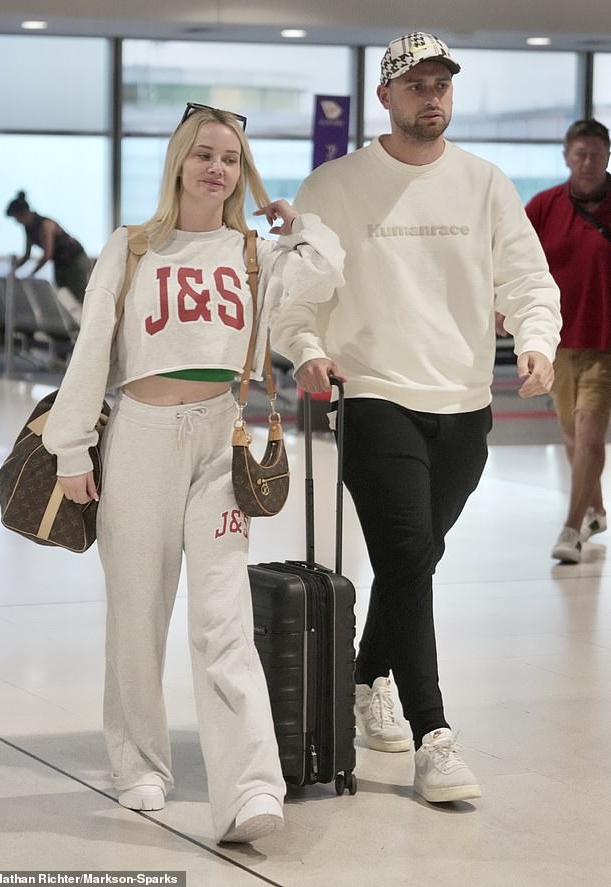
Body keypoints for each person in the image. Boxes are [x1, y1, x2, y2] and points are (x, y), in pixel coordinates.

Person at [41, 103, 344, 843]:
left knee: (223, 617)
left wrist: (292, 217)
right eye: (204, 153)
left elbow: (328, 268)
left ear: (244, 172)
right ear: (179, 160)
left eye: (231, 158)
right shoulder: (133, 246)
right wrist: (72, 446)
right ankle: (140, 761)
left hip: (221, 441)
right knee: (137, 611)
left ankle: (249, 788)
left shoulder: (255, 254)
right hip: (140, 437)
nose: (216, 168)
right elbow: (93, 349)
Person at [272, 32, 561, 804]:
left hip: (464, 406)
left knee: (415, 562)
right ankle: (435, 735)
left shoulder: (485, 182)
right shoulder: (333, 186)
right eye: (416, 84)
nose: (431, 96)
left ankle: (366, 679)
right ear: (385, 97)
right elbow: (295, 300)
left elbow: (529, 278)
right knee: (405, 555)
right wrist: (304, 349)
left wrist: (536, 342)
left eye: (441, 84)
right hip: (374, 394)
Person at [526, 119, 611, 564]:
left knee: (591, 434)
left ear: (608, 157)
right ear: (565, 157)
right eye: (580, 154)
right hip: (557, 341)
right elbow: (514, 261)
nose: (588, 162)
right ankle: (596, 509)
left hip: (606, 344)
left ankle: (572, 528)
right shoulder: (544, 206)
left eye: (596, 154)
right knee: (572, 434)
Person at [5, 191, 90, 302]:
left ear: (22, 214)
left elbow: (47, 255)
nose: (17, 222)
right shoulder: (28, 228)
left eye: (16, 218)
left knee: (77, 297)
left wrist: (31, 274)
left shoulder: (45, 225)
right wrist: (12, 270)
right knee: (63, 297)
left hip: (75, 260)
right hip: (60, 263)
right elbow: (27, 255)